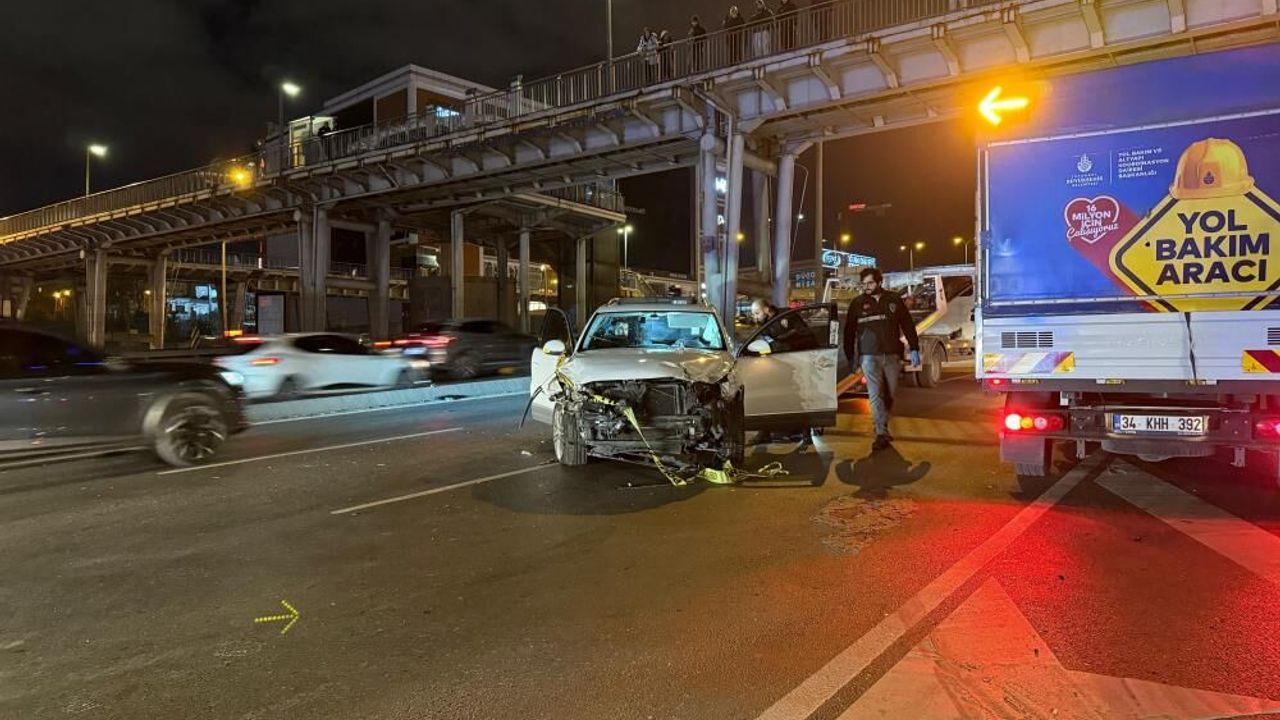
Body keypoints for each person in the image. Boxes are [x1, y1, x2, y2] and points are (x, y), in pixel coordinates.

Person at [842, 268, 920, 452]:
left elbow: (907, 324)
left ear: (879, 282)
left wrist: (914, 348)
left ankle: (882, 424)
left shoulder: (893, 300)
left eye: (870, 283)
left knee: (890, 394)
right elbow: (849, 332)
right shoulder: (857, 303)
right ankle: (880, 432)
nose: (866, 287)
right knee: (875, 395)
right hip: (869, 356)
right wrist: (851, 356)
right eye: (864, 284)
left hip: (892, 355)